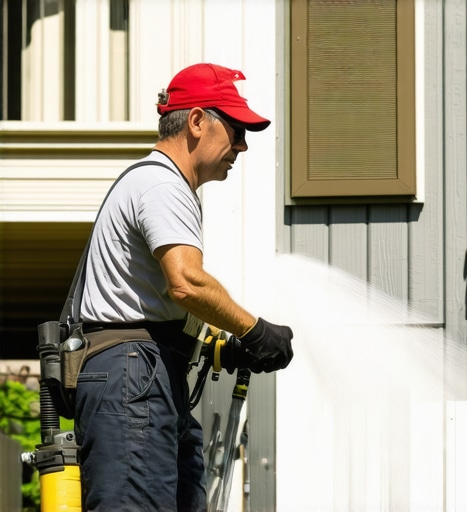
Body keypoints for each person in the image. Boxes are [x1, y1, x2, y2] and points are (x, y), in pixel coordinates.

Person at [74, 63, 294, 512]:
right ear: (196, 121)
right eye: (235, 129)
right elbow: (187, 283)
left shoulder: (160, 184)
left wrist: (227, 349)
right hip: (132, 374)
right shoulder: (160, 182)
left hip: (146, 371)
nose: (243, 145)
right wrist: (255, 331)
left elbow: (155, 303)